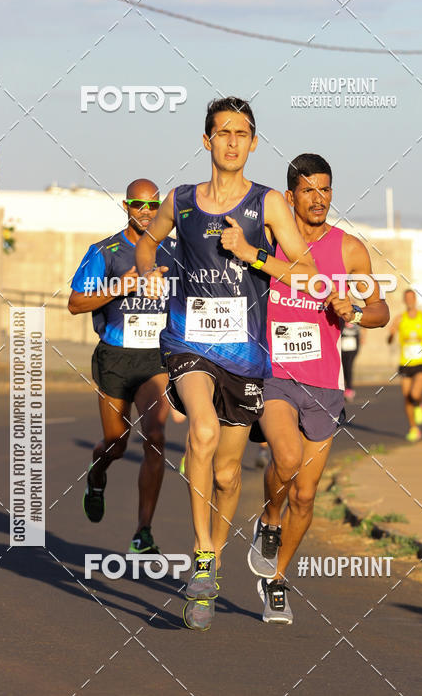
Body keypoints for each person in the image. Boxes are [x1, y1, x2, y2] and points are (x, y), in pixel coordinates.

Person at [135, 96, 325, 631]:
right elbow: (149, 240)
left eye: (242, 133)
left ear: (254, 142)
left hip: (245, 354)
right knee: (200, 431)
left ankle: (213, 560)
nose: (233, 141)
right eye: (223, 132)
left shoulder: (267, 204)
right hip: (188, 340)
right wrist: (149, 268)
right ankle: (199, 554)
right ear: (207, 140)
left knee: (227, 474)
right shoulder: (182, 200)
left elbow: (305, 272)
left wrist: (252, 253)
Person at [247, 153, 389, 624]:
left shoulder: (349, 250)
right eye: (308, 190)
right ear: (289, 197)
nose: (318, 199)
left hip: (324, 383)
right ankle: (268, 520)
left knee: (306, 496)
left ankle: (278, 580)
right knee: (284, 459)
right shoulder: (270, 239)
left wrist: (355, 313)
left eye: (325, 190)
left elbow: (380, 311)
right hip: (274, 373)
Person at [68, 179, 176, 555]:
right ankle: (97, 476)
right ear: (126, 205)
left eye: (153, 205)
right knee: (116, 444)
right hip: (115, 357)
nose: (146, 211)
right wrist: (120, 287)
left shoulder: (174, 251)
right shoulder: (106, 251)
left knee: (156, 438)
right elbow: (75, 303)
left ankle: (143, 531)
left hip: (155, 358)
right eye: (138, 204)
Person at [387, 289, 422, 441]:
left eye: (412, 298)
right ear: (405, 300)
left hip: (421, 361)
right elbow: (390, 339)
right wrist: (391, 335)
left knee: (414, 394)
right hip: (405, 362)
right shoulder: (399, 319)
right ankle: (413, 428)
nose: (410, 301)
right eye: (407, 298)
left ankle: (419, 403)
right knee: (406, 397)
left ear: (415, 300)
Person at [341, 320, 363, 401]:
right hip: (343, 342)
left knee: (349, 366)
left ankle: (349, 389)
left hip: (353, 343)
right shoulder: (340, 313)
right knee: (343, 367)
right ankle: (344, 388)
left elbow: (364, 326)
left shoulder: (355, 312)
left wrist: (363, 337)